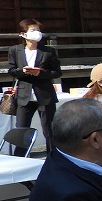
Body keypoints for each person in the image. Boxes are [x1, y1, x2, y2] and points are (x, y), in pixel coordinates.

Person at [6, 18, 61, 154]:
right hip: (24, 95)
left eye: (38, 30)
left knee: (49, 129)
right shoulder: (15, 50)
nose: (37, 33)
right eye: (33, 30)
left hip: (44, 94)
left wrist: (40, 73)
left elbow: (57, 72)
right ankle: (21, 158)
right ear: (23, 34)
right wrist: (22, 71)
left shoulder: (48, 51)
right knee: (22, 129)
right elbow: (11, 70)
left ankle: (53, 157)